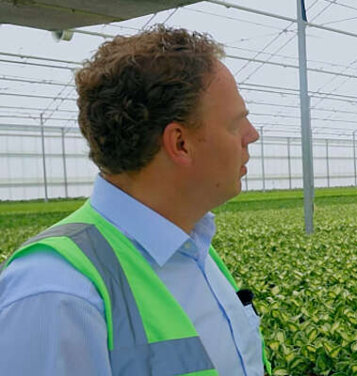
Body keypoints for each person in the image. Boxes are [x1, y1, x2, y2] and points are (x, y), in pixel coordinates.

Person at [0, 26, 271, 375]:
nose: (252, 135)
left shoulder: (194, 248)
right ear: (180, 144)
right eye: (236, 124)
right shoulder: (57, 292)